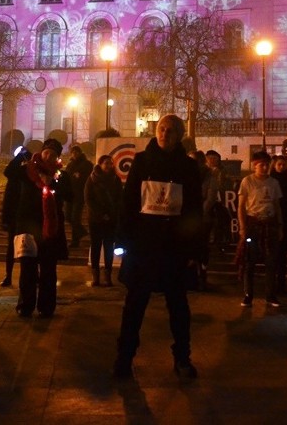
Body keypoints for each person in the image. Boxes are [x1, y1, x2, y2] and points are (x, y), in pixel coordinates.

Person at [113, 115, 203, 379]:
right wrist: (123, 241)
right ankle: (124, 357)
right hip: (144, 247)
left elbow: (194, 210)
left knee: (179, 309)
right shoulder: (141, 162)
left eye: (171, 131)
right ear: (155, 131)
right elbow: (128, 203)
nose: (165, 134)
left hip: (174, 249)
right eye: (162, 129)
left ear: (179, 135)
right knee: (134, 307)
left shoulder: (188, 168)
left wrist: (193, 250)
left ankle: (182, 358)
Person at [7, 138, 71, 318]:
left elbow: (70, 195)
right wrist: (21, 155)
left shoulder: (59, 176)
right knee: (27, 270)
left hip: (49, 230)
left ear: (57, 157)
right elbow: (9, 172)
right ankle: (25, 305)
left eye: (53, 154)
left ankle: (46, 306)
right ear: (41, 153)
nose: (48, 155)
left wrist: (57, 183)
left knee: (48, 270)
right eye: (46, 152)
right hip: (27, 226)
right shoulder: (28, 171)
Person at [236, 151, 283, 308]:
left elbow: (277, 206)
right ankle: (248, 294)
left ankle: (270, 295)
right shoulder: (247, 182)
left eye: (266, 164)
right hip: (253, 225)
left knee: (271, 261)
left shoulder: (274, 183)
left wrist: (280, 225)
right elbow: (241, 206)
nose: (264, 167)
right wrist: (242, 227)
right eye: (261, 164)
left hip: (269, 224)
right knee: (250, 261)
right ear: (254, 166)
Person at [84, 154, 123, 287]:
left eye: (110, 163)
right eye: (106, 163)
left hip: (110, 219)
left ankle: (107, 276)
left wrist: (111, 214)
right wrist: (100, 214)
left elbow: (119, 198)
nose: (108, 165)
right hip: (95, 219)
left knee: (108, 247)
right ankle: (95, 277)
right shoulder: (92, 179)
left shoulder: (115, 179)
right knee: (95, 246)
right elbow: (88, 199)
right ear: (100, 164)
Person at [0, 146, 31, 287]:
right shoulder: (15, 175)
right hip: (14, 215)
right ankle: (8, 275)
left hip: (27, 216)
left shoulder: (30, 175)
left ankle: (30, 275)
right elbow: (8, 171)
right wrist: (19, 157)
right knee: (11, 247)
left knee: (29, 247)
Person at [270, 154, 287, 295]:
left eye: (283, 164)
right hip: (272, 221)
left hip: (285, 221)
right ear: (274, 166)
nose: (281, 167)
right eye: (279, 164)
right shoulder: (270, 181)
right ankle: (272, 283)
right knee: (272, 254)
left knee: (283, 254)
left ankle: (281, 283)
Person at [190, 149, 217, 290]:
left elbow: (210, 197)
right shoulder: (187, 176)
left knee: (202, 247)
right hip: (188, 219)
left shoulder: (209, 176)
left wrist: (199, 213)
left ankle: (202, 276)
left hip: (203, 218)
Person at [65, 145, 93, 248]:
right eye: (73, 152)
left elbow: (87, 177)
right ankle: (81, 232)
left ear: (80, 153)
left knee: (75, 217)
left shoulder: (86, 164)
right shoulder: (70, 164)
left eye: (76, 152)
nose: (74, 154)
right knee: (68, 216)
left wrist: (78, 176)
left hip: (79, 194)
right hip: (69, 194)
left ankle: (75, 241)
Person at [205, 150, 231, 252]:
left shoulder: (222, 171)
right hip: (206, 200)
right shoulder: (203, 171)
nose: (212, 161)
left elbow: (225, 184)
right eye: (210, 158)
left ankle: (219, 242)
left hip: (219, 201)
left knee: (220, 222)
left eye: (215, 159)